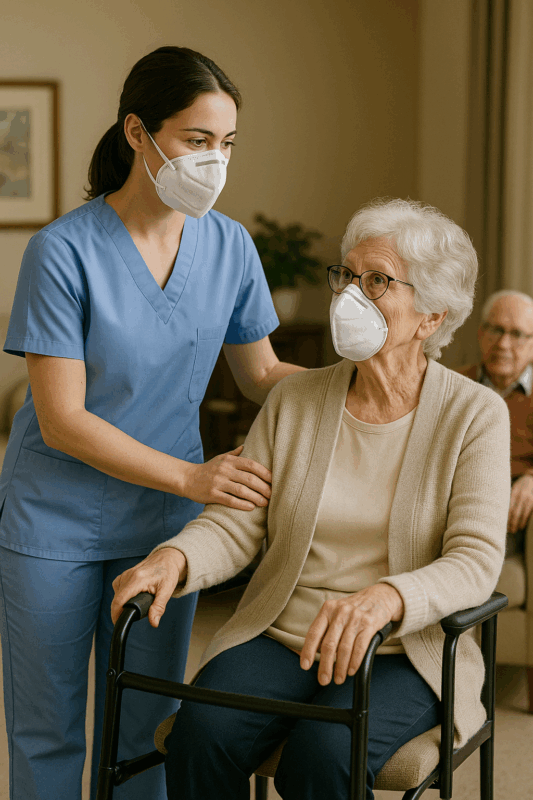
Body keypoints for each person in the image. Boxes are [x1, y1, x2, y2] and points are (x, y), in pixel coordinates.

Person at [112, 198, 511, 800]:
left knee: (323, 756)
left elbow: (475, 560)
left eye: (376, 281)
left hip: (402, 649)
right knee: (200, 736)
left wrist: (387, 598)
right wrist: (177, 556)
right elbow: (235, 524)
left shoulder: (475, 414)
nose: (350, 293)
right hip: (283, 634)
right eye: (346, 275)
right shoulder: (294, 401)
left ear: (430, 317)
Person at [0, 46, 306, 800]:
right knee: (47, 728)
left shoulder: (229, 245)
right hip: (54, 518)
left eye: (226, 143)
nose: (214, 161)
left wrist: (372, 383)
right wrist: (194, 478)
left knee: (146, 729)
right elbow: (62, 420)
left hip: (163, 526)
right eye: (197, 140)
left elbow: (261, 374)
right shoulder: (62, 252)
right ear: (138, 133)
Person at [457, 290, 533, 555]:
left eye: (517, 334)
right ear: (481, 333)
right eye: (496, 330)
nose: (503, 343)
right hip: (458, 497)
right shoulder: (454, 385)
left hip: (512, 507)